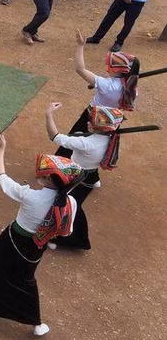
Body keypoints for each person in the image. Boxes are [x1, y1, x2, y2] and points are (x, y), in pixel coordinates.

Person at [0, 129, 81, 337]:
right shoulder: (71, 202)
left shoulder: (30, 195)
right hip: (37, 246)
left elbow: (1, 177)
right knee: (26, 280)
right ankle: (35, 322)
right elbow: (64, 231)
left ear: (51, 180)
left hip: (13, 239)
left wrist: (0, 150)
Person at [45, 102, 123, 251]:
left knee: (71, 205)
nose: (87, 122)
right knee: (71, 203)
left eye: (91, 122)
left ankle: (77, 240)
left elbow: (54, 136)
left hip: (79, 177)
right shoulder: (109, 137)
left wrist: (48, 114)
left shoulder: (87, 143)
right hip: (89, 174)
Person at [56, 32, 139, 160]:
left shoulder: (106, 85)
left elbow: (80, 69)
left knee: (73, 141)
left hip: (92, 118)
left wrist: (80, 46)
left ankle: (59, 170)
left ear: (118, 70)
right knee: (96, 148)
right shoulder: (132, 88)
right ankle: (91, 175)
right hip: (112, 121)